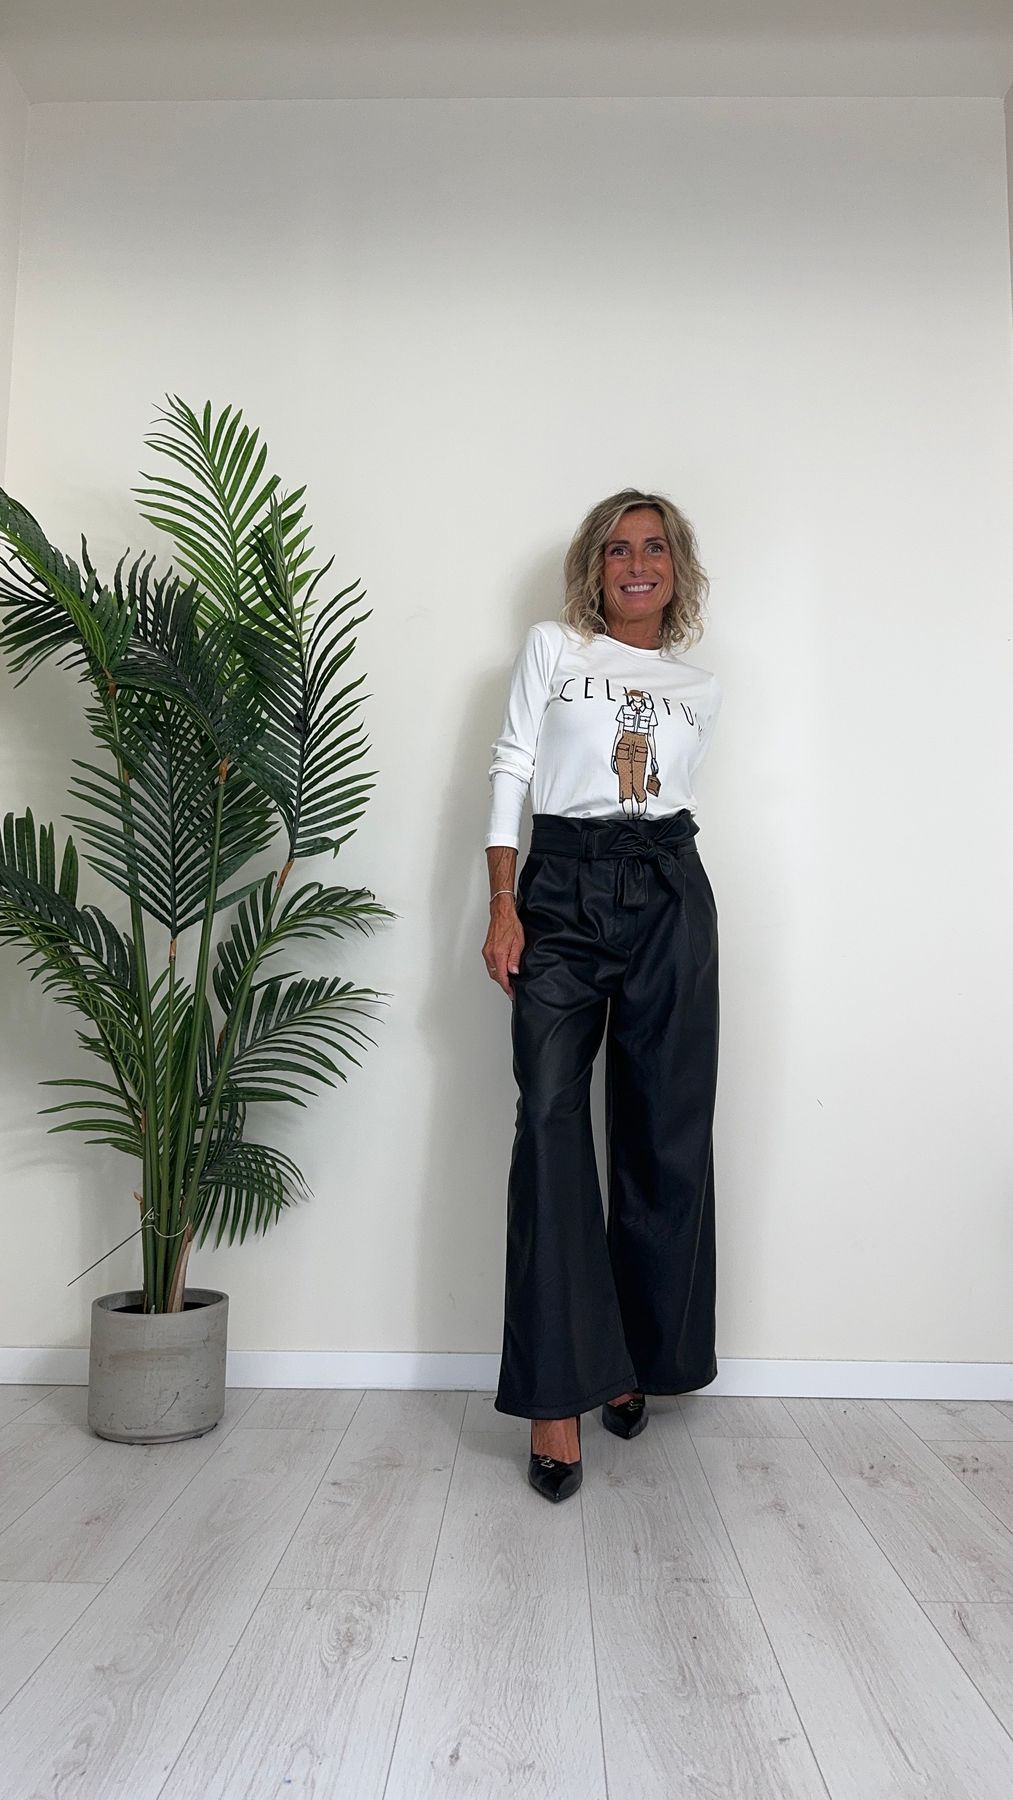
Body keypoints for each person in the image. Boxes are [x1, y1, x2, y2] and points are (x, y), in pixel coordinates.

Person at [482, 488, 723, 1503]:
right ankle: (555, 1395)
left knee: (660, 1130)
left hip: (667, 888)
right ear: (595, 565)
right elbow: (511, 767)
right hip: (562, 888)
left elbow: (667, 794)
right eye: (618, 549)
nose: (637, 564)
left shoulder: (698, 684)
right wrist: (504, 902)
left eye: (654, 548)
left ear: (675, 568)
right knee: (548, 1122)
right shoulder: (552, 647)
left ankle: (628, 1358)